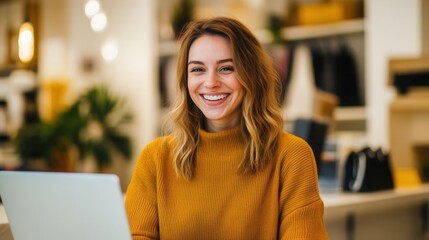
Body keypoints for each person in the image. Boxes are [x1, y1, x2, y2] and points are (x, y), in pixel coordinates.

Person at [125, 16, 328, 239]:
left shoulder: (291, 156)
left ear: (251, 75)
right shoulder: (155, 159)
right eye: (198, 70)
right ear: (185, 80)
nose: (210, 82)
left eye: (226, 68)